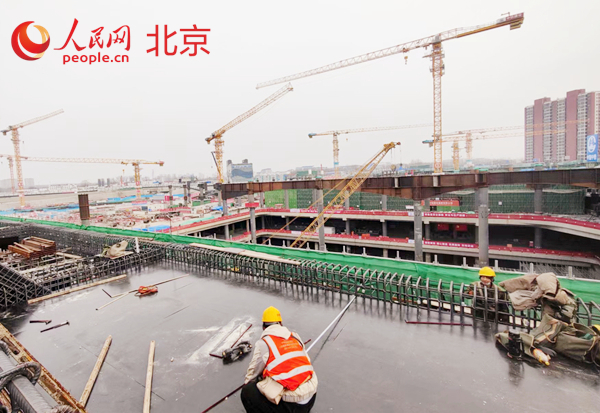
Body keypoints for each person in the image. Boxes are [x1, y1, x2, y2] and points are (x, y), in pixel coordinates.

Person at [241, 306, 318, 413]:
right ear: (280, 323)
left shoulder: (264, 343)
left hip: (293, 404)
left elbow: (252, 375)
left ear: (264, 327)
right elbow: (304, 363)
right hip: (311, 396)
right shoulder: (295, 337)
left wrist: (252, 382)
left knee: (247, 392)